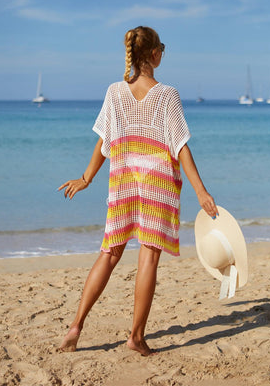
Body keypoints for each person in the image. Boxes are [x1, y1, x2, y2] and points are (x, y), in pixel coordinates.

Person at [58, 26, 218, 356]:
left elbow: (104, 140)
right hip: (157, 184)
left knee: (110, 252)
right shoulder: (167, 94)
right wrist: (201, 192)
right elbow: (181, 146)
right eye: (162, 49)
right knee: (148, 257)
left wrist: (87, 177)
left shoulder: (115, 92)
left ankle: (75, 326)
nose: (163, 54)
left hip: (123, 182)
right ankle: (135, 337)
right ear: (154, 54)